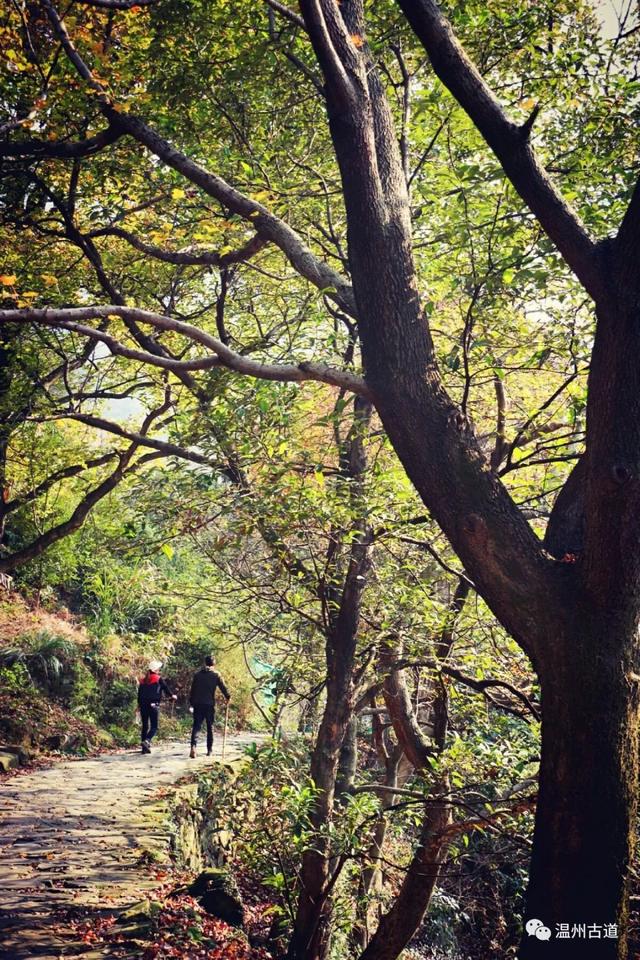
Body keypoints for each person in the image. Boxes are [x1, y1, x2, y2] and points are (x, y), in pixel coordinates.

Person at [189, 655, 230, 758]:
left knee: (196, 726)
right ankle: (209, 750)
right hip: (209, 704)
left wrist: (191, 703)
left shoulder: (197, 675)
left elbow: (192, 690)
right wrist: (228, 697)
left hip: (198, 704)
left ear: (205, 662)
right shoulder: (216, 675)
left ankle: (193, 747)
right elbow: (223, 687)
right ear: (214, 663)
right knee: (210, 727)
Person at [137, 659, 177, 754]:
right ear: (155, 670)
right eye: (158, 668)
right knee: (154, 726)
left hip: (143, 705)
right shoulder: (158, 679)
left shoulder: (143, 680)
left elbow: (139, 694)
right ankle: (147, 741)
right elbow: (166, 689)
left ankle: (144, 748)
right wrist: (172, 696)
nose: (159, 670)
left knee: (145, 726)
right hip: (153, 705)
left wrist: (138, 705)